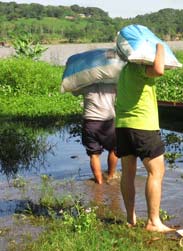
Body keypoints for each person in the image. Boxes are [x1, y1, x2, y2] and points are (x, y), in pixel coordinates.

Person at [115, 43, 174, 232]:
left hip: (123, 126)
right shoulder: (140, 68)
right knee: (156, 172)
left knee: (128, 173)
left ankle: (130, 218)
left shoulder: (125, 70)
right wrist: (160, 46)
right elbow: (159, 69)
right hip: (143, 127)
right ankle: (153, 222)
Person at [72, 83, 118, 184]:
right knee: (114, 149)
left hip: (90, 123)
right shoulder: (112, 83)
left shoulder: (86, 84)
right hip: (108, 123)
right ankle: (110, 176)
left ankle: (99, 182)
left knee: (94, 155)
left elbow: (74, 91)